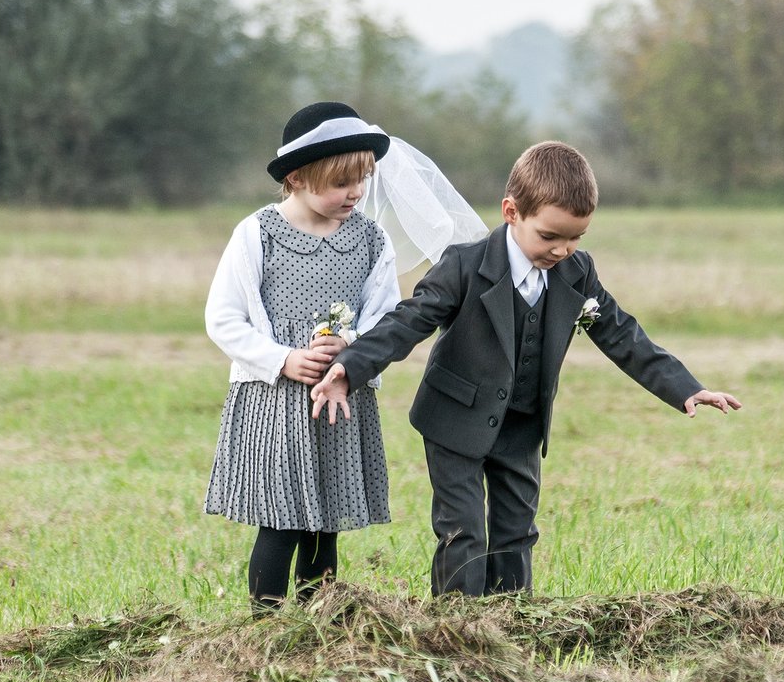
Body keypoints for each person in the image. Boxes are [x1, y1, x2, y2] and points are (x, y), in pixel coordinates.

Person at [311, 141, 741, 597]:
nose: (562, 250)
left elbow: (620, 334)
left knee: (516, 534)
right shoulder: (464, 264)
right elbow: (408, 321)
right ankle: (457, 629)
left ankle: (513, 625)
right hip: (454, 420)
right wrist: (349, 367)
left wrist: (685, 388)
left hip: (522, 425)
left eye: (576, 238)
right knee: (464, 534)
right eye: (550, 236)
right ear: (512, 211)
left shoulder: (578, 273)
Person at [204, 101, 485, 610]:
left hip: (337, 401)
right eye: (341, 182)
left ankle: (317, 622)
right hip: (275, 402)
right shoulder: (258, 234)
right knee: (281, 522)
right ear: (296, 178)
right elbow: (223, 318)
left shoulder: (370, 240)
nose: (355, 192)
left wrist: (351, 349)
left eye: (363, 179)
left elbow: (385, 316)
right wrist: (281, 359)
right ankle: (264, 627)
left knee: (327, 520)